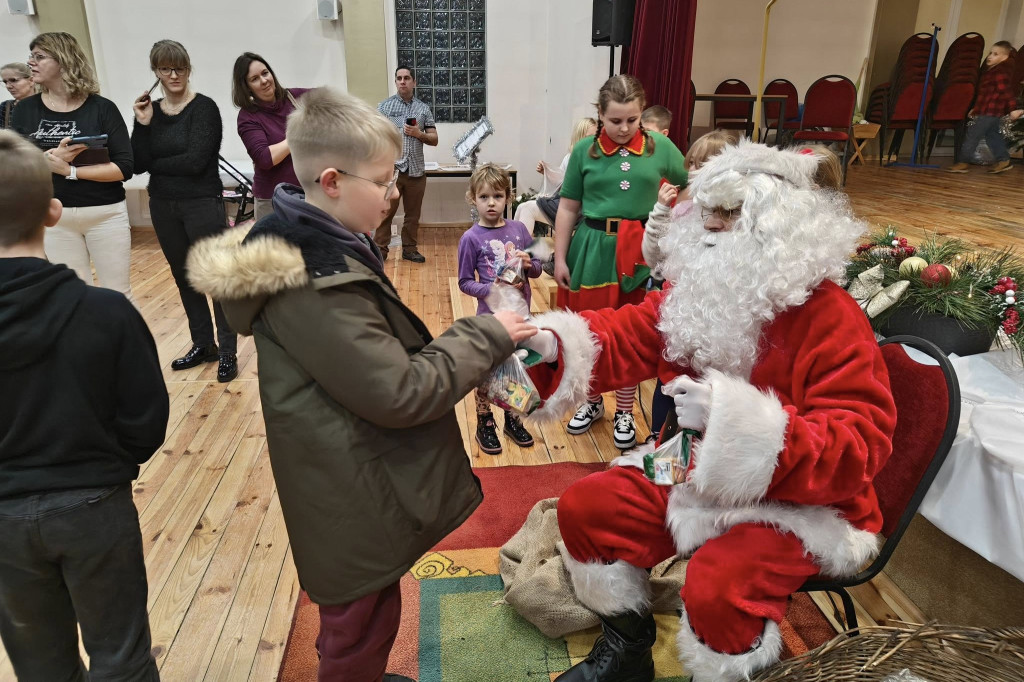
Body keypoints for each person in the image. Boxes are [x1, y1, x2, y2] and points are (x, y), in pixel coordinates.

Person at [186, 87, 536, 682]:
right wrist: (487, 335)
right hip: (342, 480)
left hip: (346, 462)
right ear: (330, 181)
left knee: (366, 613)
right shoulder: (312, 281)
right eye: (382, 180)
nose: (393, 191)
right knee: (358, 625)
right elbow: (399, 391)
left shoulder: (324, 250)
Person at [519, 141, 897, 682]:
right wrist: (556, 343)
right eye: (708, 210)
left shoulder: (831, 317)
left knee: (720, 582)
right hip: (687, 460)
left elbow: (860, 444)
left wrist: (735, 424)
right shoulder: (698, 289)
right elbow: (631, 332)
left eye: (732, 212)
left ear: (781, 226)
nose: (713, 225)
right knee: (587, 507)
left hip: (803, 500)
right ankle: (627, 654)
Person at [0, 130, 168, 682]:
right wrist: (103, 463)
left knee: (40, 667)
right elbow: (146, 421)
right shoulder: (107, 313)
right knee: (121, 657)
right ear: (53, 212)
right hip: (96, 508)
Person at [552, 74, 687, 450]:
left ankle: (625, 410)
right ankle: (593, 402)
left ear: (642, 113)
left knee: (631, 334)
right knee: (591, 331)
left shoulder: (662, 147)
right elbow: (567, 207)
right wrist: (560, 257)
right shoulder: (584, 152)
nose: (625, 128)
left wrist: (673, 224)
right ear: (600, 115)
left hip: (642, 251)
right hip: (593, 248)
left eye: (632, 119)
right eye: (615, 121)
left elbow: (689, 186)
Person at [132, 40, 238, 382]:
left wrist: (156, 165)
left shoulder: (204, 108)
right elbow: (137, 163)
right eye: (166, 68)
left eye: (180, 68)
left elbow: (196, 162)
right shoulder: (152, 112)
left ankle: (227, 351)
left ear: (189, 69)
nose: (174, 75)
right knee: (184, 277)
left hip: (201, 203)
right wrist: (143, 124)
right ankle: (202, 344)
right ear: (156, 72)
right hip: (163, 205)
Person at [12, 32, 135, 301]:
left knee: (118, 294)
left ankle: (125, 344)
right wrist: (49, 159)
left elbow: (125, 167)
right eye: (30, 56)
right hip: (54, 216)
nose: (30, 63)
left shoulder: (102, 108)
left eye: (39, 56)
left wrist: (70, 171)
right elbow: (16, 170)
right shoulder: (25, 110)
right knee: (72, 298)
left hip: (106, 214)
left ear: (64, 60)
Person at [640, 128, 736, 440]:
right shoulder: (682, 206)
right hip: (679, 332)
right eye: (692, 163)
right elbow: (655, 257)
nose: (695, 171)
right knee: (666, 418)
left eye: (705, 165)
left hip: (719, 361)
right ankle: (662, 448)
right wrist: (659, 214)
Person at [458, 163, 542, 455]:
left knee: (516, 368)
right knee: (487, 371)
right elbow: (465, 282)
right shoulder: (470, 238)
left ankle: (512, 418)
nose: (491, 203)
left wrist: (531, 265)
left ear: (508, 197)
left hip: (521, 315)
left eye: (497, 196)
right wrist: (489, 289)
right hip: (491, 319)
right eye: (483, 197)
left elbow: (539, 267)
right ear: (473, 199)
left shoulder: (520, 229)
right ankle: (484, 421)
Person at [233, 51, 309, 219]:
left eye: (265, 73)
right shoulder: (248, 117)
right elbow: (264, 158)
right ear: (246, 87)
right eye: (254, 79)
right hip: (273, 202)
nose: (264, 81)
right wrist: (296, 136)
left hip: (309, 194)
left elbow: (333, 101)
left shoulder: (296, 97)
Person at [373, 66, 437, 263]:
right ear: (395, 82)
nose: (403, 81)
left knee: (413, 215)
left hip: (416, 170)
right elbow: (374, 135)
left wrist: (419, 134)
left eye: (407, 78)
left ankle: (409, 249)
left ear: (414, 82)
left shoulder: (423, 109)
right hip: (392, 170)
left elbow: (434, 139)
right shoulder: (384, 107)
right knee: (385, 212)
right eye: (399, 78)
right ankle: (379, 251)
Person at [947, 40, 1023, 175]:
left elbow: (1006, 91)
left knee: (972, 135)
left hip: (989, 112)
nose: (990, 56)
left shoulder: (999, 73)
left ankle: (963, 162)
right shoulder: (992, 71)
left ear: (1004, 57)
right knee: (992, 135)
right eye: (990, 53)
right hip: (989, 111)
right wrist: (975, 109)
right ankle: (1004, 160)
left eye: (995, 54)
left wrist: (1013, 109)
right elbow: (985, 95)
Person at [514, 117, 597, 236]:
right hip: (565, 202)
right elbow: (561, 181)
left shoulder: (593, 160)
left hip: (578, 209)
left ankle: (518, 250)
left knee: (528, 209)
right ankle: (513, 246)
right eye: (588, 137)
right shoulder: (569, 157)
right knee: (522, 207)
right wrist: (546, 172)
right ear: (579, 137)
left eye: (595, 137)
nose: (593, 141)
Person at [1, 62, 34, 129]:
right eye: (5, 82)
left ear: (31, 81)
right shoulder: (6, 107)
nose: (8, 86)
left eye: (13, 80)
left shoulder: (47, 105)